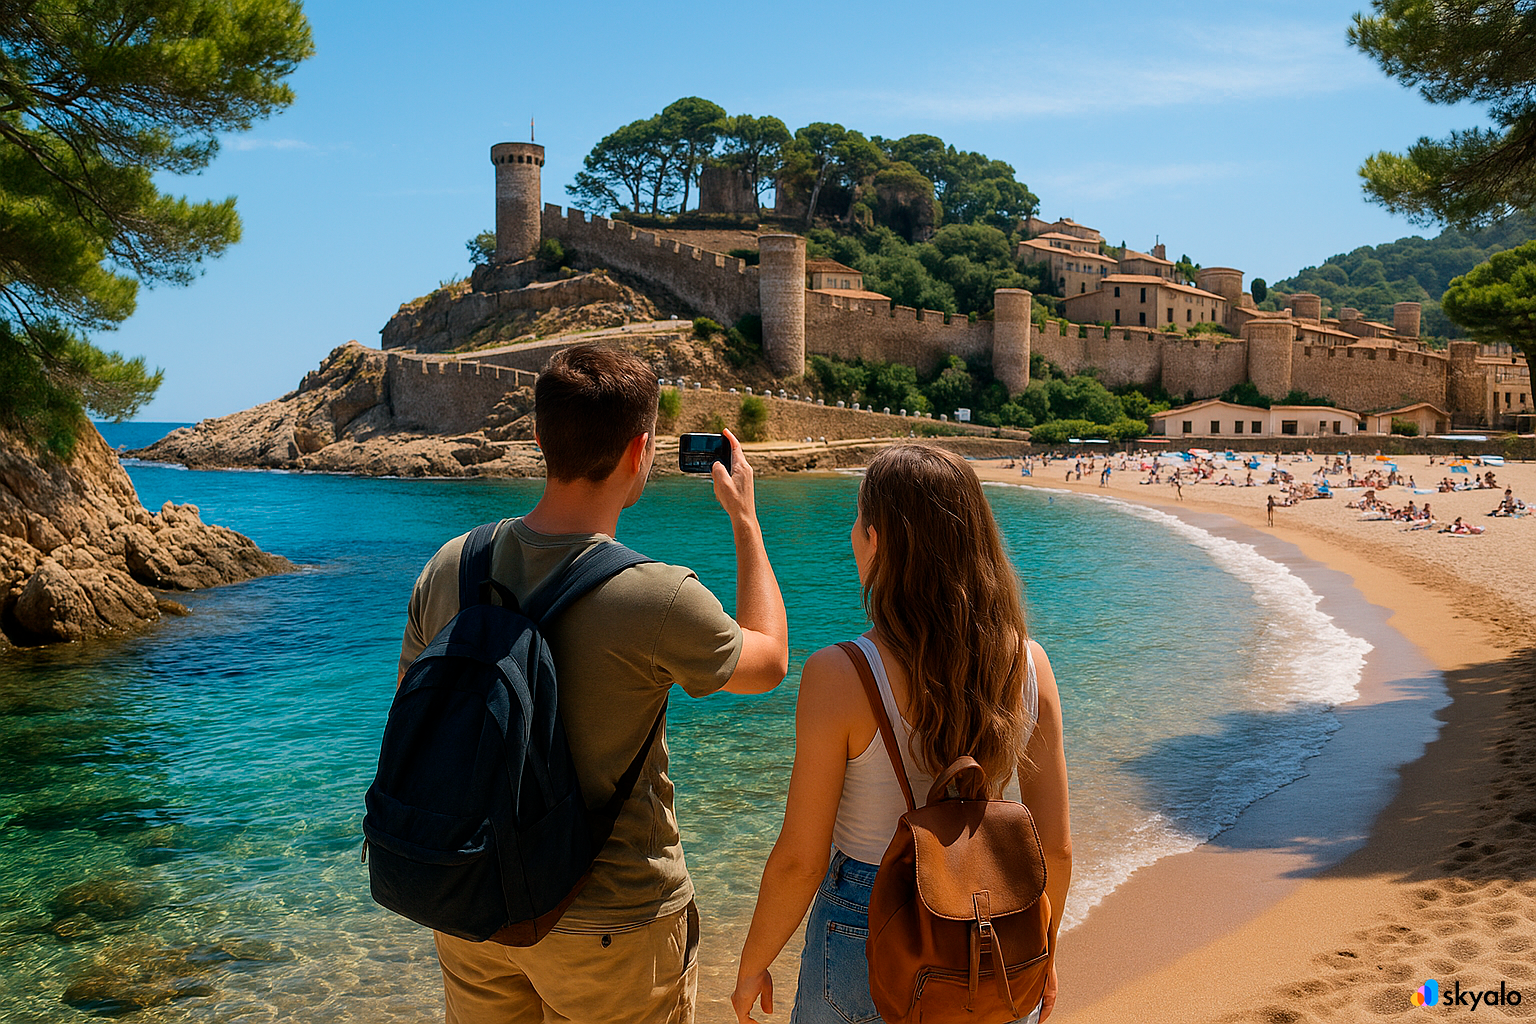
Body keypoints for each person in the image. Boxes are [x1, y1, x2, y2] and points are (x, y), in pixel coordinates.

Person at [398, 345, 790, 1024]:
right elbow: (770, 661)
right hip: (617, 924)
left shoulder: (450, 566)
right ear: (640, 453)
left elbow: (412, 710)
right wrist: (746, 520)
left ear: (538, 437)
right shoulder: (660, 597)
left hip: (472, 903)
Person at [730, 445, 1072, 1024]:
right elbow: (1056, 849)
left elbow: (800, 859)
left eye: (859, 522)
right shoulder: (1029, 665)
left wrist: (751, 964)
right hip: (990, 927)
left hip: (863, 918)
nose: (853, 535)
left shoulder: (840, 673)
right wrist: (1042, 949)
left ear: (880, 537)